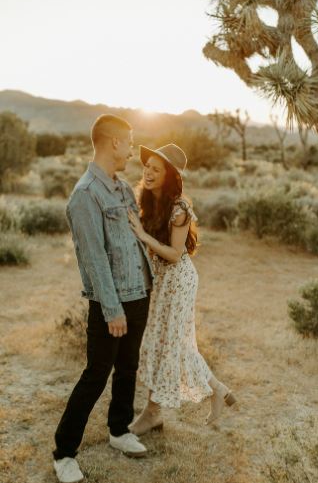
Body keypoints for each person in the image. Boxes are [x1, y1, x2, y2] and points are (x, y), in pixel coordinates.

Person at [53, 114, 154, 483]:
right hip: (110, 303)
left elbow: (132, 239)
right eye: (128, 142)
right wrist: (112, 309)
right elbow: (94, 259)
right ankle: (64, 453)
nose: (131, 149)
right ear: (113, 143)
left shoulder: (123, 188)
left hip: (138, 294)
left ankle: (119, 430)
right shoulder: (85, 195)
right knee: (96, 374)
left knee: (128, 368)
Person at [127, 143, 236, 436]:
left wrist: (141, 235)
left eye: (156, 169)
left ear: (170, 174)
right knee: (169, 343)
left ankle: (152, 413)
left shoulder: (179, 208)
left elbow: (175, 254)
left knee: (166, 344)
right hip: (160, 279)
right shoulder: (147, 201)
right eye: (146, 167)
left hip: (178, 280)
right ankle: (217, 390)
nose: (148, 173)